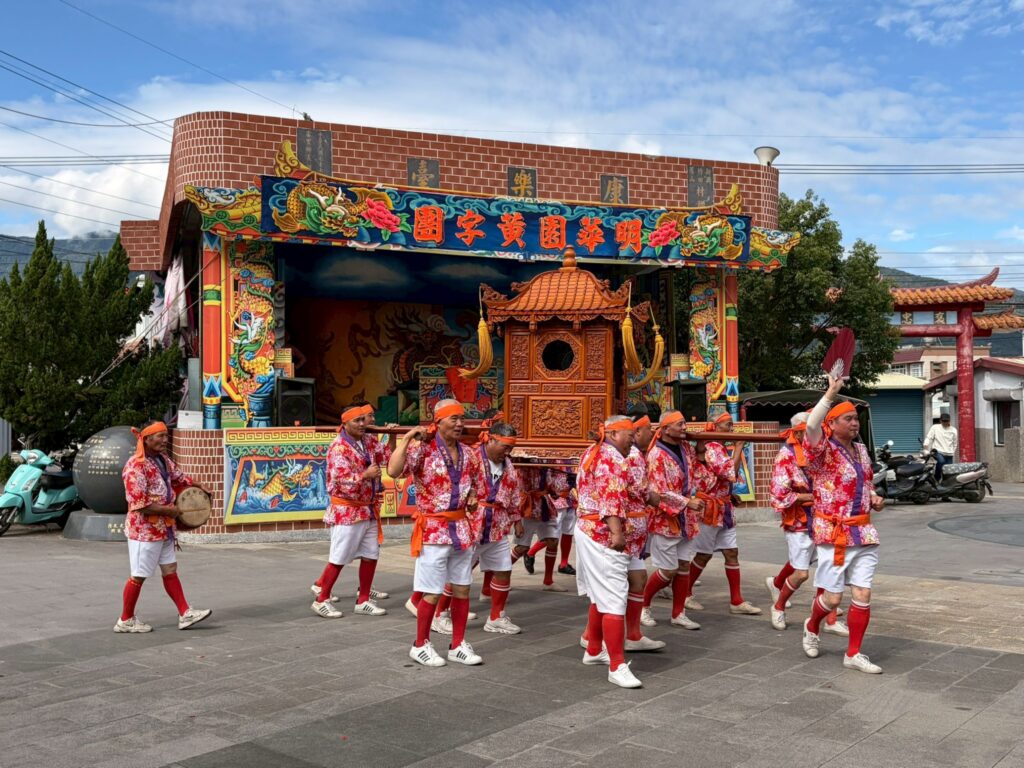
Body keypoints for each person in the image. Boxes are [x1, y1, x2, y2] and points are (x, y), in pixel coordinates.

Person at [388, 399, 487, 667]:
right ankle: (420, 645)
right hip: (433, 530)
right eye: (453, 418)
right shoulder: (423, 449)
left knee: (462, 589)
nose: (459, 423)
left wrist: (473, 497)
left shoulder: (469, 453)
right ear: (438, 421)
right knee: (432, 592)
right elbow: (394, 470)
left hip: (461, 529)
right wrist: (407, 437)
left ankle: (458, 644)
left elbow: (476, 486)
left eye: (461, 418)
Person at [801, 376, 886, 674]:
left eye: (855, 418)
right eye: (847, 418)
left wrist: (874, 497)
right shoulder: (821, 451)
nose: (854, 423)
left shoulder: (861, 450)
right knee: (832, 598)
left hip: (863, 531)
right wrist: (831, 392)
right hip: (834, 533)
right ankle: (812, 625)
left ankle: (854, 653)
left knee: (863, 593)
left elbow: (866, 482)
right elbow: (811, 426)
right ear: (832, 423)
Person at [115, 420, 212, 633]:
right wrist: (170, 511)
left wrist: (198, 485)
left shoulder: (162, 459)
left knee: (170, 569)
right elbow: (139, 504)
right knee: (138, 575)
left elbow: (179, 477)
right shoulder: (135, 466)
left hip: (164, 528)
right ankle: (125, 619)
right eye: (161, 436)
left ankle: (185, 613)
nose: (165, 440)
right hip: (145, 530)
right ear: (147, 439)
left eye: (166, 436)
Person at [575, 416, 644, 688]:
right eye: (630, 435)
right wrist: (617, 532)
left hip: (589, 529)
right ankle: (617, 666)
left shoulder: (594, 451)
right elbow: (611, 499)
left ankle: (594, 649)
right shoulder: (611, 457)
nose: (632, 440)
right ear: (614, 434)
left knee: (600, 594)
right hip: (602, 535)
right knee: (615, 598)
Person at [766, 413, 846, 636]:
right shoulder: (786, 455)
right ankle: (778, 606)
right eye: (811, 430)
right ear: (799, 432)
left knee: (828, 567)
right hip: (800, 519)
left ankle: (829, 619)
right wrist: (809, 497)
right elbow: (778, 495)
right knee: (801, 574)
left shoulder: (823, 450)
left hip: (825, 518)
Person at [310, 404, 391, 619]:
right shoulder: (338, 448)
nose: (363, 424)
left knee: (371, 554)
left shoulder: (368, 441)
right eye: (357, 420)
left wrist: (391, 434)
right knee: (339, 557)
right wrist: (365, 475)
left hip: (368, 508)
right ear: (345, 423)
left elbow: (387, 456)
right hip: (347, 509)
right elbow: (341, 481)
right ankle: (321, 599)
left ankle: (363, 600)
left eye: (364, 419)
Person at [688, 412, 761, 616]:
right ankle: (685, 593)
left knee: (731, 552)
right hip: (709, 509)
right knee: (703, 555)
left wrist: (730, 494)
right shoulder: (712, 448)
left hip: (724, 508)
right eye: (728, 425)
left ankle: (736, 600)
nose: (731, 428)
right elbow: (730, 473)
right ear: (715, 426)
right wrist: (739, 446)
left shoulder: (718, 448)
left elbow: (725, 478)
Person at [641, 410, 704, 630]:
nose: (684, 427)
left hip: (686, 517)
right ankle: (642, 606)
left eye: (685, 423)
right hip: (665, 518)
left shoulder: (685, 448)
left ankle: (678, 613)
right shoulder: (656, 455)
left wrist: (701, 448)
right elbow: (657, 491)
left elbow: (696, 470)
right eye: (680, 424)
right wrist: (687, 502)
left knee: (684, 564)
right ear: (666, 429)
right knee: (668, 570)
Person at [473, 421, 526, 634]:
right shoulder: (472, 458)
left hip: (498, 525)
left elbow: (513, 494)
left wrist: (517, 520)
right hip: (472, 524)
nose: (508, 451)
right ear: (491, 439)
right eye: (505, 446)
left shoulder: (508, 465)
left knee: (504, 570)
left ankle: (496, 617)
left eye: (511, 448)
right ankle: (440, 614)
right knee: (459, 571)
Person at [621, 407, 665, 651]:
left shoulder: (636, 454)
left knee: (638, 579)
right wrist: (660, 499)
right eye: (649, 429)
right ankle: (593, 637)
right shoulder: (632, 456)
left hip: (634, 531)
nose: (652, 433)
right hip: (622, 531)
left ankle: (634, 635)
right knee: (614, 587)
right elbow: (641, 491)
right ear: (636, 432)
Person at [514, 467, 571, 591]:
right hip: (527, 505)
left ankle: (548, 581)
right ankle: (499, 576)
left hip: (545, 505)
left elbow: (553, 485)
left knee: (552, 541)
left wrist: (558, 488)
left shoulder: (549, 464)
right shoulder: (523, 463)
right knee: (522, 547)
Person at [924, 413, 958, 481]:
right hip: (938, 451)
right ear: (940, 421)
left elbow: (955, 443)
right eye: (943, 421)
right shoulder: (935, 427)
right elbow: (929, 437)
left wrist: (953, 451)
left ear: (949, 421)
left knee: (948, 471)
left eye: (947, 421)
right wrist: (926, 444)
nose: (945, 422)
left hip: (949, 453)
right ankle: (936, 478)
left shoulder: (953, 430)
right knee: (941, 462)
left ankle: (945, 483)